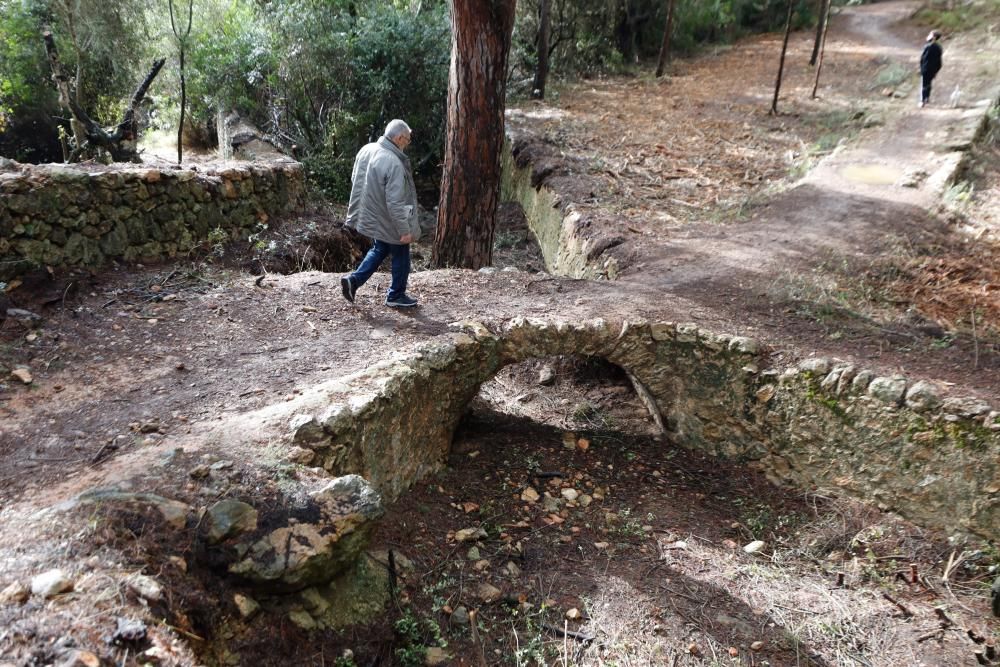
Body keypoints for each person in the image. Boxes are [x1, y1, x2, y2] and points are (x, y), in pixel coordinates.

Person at [341, 119, 421, 307]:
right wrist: (404, 230)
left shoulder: (366, 149)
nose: (407, 144)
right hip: (389, 218)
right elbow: (395, 202)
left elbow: (356, 180)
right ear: (400, 138)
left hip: (373, 214)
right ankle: (396, 296)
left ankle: (353, 281)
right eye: (407, 140)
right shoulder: (393, 162)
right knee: (401, 252)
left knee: (380, 249)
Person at [919, 30, 943, 108]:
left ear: (933, 37)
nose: (928, 35)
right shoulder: (939, 47)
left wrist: (921, 68)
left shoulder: (927, 46)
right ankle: (927, 98)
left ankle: (922, 100)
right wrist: (937, 70)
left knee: (923, 84)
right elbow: (939, 61)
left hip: (926, 68)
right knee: (929, 84)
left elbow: (923, 58)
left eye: (930, 34)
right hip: (933, 69)